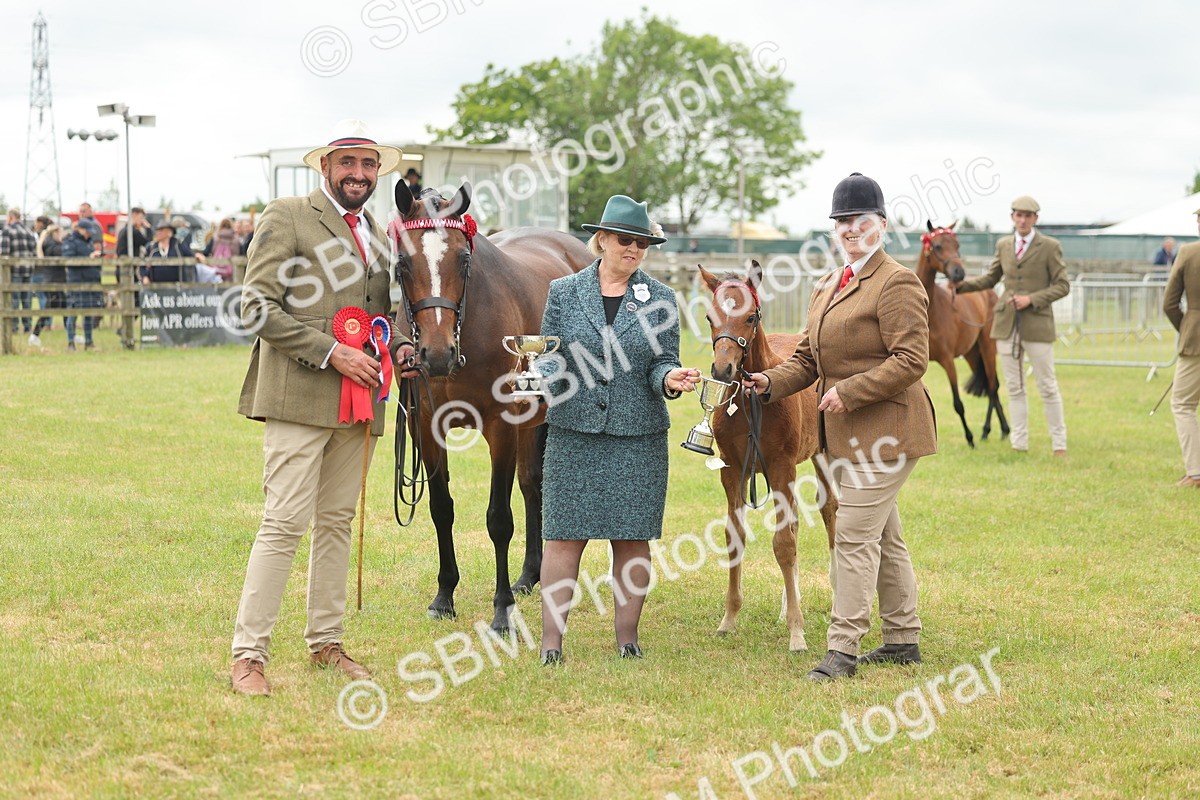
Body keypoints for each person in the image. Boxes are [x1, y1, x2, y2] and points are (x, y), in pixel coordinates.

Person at [230, 119, 416, 696]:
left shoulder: (380, 236)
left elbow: (384, 310)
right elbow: (255, 308)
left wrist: (400, 347)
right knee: (284, 524)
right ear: (325, 168)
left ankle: (326, 642)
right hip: (300, 393)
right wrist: (332, 351)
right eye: (348, 164)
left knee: (337, 523)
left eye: (368, 166)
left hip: (360, 405)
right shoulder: (287, 216)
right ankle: (248, 656)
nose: (359, 174)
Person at [743, 173, 937, 682]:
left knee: (852, 534)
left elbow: (912, 359)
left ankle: (842, 649)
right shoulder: (829, 284)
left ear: (882, 226)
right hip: (849, 436)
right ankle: (902, 639)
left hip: (891, 430)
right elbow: (806, 360)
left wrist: (849, 391)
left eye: (860, 221)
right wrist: (767, 382)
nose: (850, 230)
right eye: (842, 222)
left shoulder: (897, 282)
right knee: (885, 536)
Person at [537, 194, 701, 665]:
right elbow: (549, 354)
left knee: (632, 538)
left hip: (638, 436)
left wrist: (669, 378)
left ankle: (627, 639)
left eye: (642, 243)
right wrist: (540, 379)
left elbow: (662, 362)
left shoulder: (662, 299)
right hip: (574, 432)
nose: (634, 249)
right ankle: (551, 644)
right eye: (626, 240)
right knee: (563, 538)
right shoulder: (563, 292)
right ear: (602, 240)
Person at [953, 195, 1070, 456]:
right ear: (1012, 217)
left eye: (1028, 216)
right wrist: (961, 287)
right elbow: (992, 277)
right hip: (1006, 325)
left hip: (1037, 325)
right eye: (1019, 215)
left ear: (1035, 219)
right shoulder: (1004, 245)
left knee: (1047, 386)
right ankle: (1019, 443)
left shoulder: (1050, 247)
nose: (1023, 220)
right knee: (1014, 387)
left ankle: (1059, 444)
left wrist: (1032, 299)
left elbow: (1063, 285)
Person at [1164, 207, 1200, 488]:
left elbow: (1169, 304)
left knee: (1183, 404)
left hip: (1196, 339)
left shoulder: (1188, 252)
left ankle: (1196, 473)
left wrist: (1186, 328)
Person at [61, 220, 102, 351]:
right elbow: (69, 260)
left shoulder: (88, 242)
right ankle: (70, 343)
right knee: (73, 313)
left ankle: (89, 342)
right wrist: (88, 258)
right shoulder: (70, 242)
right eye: (88, 231)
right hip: (77, 282)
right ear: (81, 229)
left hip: (90, 282)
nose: (90, 234)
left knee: (88, 313)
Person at [1, 208, 37, 336]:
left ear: (11, 217)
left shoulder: (7, 230)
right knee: (27, 300)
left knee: (13, 299)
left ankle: (14, 327)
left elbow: (4, 252)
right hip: (28, 270)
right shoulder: (28, 231)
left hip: (13, 270)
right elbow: (34, 252)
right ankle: (27, 327)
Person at [29, 223, 65, 347]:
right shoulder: (52, 245)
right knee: (50, 308)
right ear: (55, 233)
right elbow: (61, 253)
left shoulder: (49, 243)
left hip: (53, 280)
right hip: (53, 281)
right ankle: (34, 335)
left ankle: (71, 335)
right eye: (60, 233)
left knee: (65, 306)